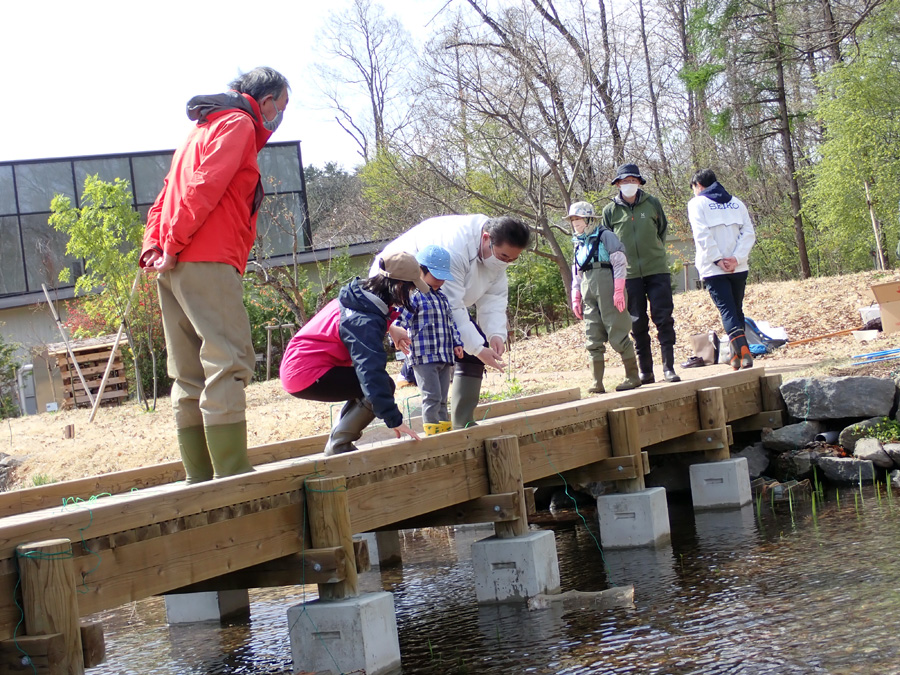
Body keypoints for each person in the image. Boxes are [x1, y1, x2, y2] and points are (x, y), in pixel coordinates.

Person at [139, 67, 290, 484]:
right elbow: (204, 186)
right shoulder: (238, 123)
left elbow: (166, 194)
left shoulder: (197, 132)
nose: (280, 117)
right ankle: (232, 471)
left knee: (187, 370)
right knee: (228, 359)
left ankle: (199, 476)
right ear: (266, 101)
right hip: (206, 258)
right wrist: (170, 242)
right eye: (282, 106)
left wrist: (156, 245)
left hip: (174, 266)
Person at [371, 215, 531, 429]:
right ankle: (432, 425)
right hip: (403, 292)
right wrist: (477, 347)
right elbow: (451, 307)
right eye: (503, 256)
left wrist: (495, 335)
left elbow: (494, 297)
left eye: (512, 259)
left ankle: (461, 423)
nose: (505, 262)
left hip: (441, 304)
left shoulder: (498, 257)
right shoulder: (453, 247)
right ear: (486, 238)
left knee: (467, 359)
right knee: (434, 377)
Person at [279, 252, 424, 454]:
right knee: (380, 385)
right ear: (399, 286)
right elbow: (371, 373)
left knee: (368, 386)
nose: (410, 295)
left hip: (299, 367)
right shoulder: (363, 320)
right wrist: (394, 419)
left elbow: (369, 318)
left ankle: (337, 439)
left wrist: (391, 327)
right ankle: (338, 446)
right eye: (411, 289)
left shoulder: (358, 298)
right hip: (306, 372)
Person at [603, 163, 681, 385]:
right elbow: (606, 242)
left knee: (663, 318)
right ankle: (645, 371)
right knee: (637, 323)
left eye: (633, 181)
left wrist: (655, 251)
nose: (629, 185)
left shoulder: (652, 203)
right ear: (617, 184)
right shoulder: (610, 211)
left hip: (656, 269)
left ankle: (669, 367)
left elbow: (662, 230)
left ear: (639, 183)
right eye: (625, 181)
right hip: (628, 275)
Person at [567, 201, 642, 393]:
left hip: (607, 284)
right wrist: (575, 295)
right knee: (592, 335)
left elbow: (619, 261)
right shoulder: (578, 243)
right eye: (573, 219)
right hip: (587, 287)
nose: (575, 223)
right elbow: (577, 271)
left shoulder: (605, 235)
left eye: (579, 219)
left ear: (589, 218)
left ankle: (632, 377)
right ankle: (596, 382)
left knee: (617, 331)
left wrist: (618, 289)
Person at [688, 169, 757, 370]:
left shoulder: (697, 203)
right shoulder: (737, 202)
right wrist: (736, 258)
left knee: (727, 311)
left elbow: (701, 235)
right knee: (736, 310)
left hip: (713, 268)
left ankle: (745, 353)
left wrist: (718, 260)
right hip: (739, 267)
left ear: (698, 186)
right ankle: (736, 356)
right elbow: (749, 233)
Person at [393, 245, 465, 435]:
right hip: (424, 356)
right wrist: (397, 336)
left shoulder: (442, 298)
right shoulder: (414, 297)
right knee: (431, 396)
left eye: (443, 277)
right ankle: (432, 430)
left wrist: (457, 343)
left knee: (442, 396)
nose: (440, 281)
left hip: (444, 354)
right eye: (436, 275)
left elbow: (451, 323)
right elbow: (399, 323)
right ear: (420, 271)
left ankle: (444, 428)